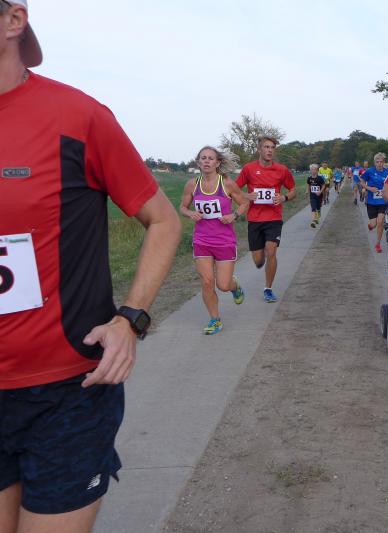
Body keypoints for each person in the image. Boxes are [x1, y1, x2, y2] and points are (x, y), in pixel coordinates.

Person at [0, 2, 182, 530]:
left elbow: (163, 220)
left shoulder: (77, 116)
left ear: (13, 20)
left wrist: (131, 318)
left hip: (66, 391)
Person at [179, 146, 249, 334]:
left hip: (224, 240)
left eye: (211, 158)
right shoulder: (192, 185)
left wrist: (234, 215)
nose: (207, 161)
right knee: (207, 282)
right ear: (198, 162)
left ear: (217, 163)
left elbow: (244, 203)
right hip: (202, 240)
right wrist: (190, 213)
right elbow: (182, 207)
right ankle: (215, 320)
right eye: (203, 158)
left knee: (223, 285)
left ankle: (235, 286)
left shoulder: (227, 184)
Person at [236, 136, 297, 303]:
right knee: (258, 261)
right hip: (254, 219)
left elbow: (293, 190)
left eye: (272, 147)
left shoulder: (282, 170)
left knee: (271, 250)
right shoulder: (249, 169)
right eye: (266, 147)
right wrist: (247, 195)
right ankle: (260, 251)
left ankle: (268, 289)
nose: (270, 150)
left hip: (273, 218)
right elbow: (234, 189)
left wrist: (284, 197)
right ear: (259, 149)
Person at [361, 152, 388, 253]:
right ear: (374, 163)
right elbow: (361, 182)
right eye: (377, 162)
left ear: (384, 162)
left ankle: (378, 244)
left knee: (380, 221)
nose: (379, 164)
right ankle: (371, 225)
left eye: (381, 162)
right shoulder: (369, 171)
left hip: (383, 202)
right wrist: (369, 188)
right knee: (373, 224)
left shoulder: (387, 172)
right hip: (371, 202)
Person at [306, 163, 327, 228]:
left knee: (318, 208)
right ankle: (313, 221)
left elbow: (323, 186)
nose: (313, 171)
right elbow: (308, 185)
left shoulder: (320, 178)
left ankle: (318, 214)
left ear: (317, 171)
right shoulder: (309, 178)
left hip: (319, 196)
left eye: (314, 169)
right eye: (311, 170)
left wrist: (320, 192)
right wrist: (307, 191)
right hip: (312, 196)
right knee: (313, 208)